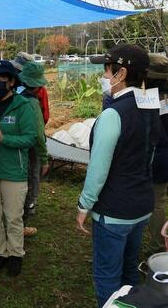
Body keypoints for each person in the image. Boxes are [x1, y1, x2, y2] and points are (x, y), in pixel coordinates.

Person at [76, 44, 159, 307]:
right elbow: (150, 156)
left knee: (107, 276)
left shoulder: (113, 114)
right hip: (142, 205)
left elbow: (98, 169)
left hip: (114, 210)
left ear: (120, 73)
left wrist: (84, 204)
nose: (103, 76)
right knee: (129, 268)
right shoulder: (152, 108)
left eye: (106, 69)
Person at [0, 61, 37, 276]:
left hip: (13, 171)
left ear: (11, 81)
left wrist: (4, 137)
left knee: (13, 216)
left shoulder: (23, 106)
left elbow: (30, 138)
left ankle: (15, 254)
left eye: (1, 79)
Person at [17, 62, 50, 220]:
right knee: (34, 172)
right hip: (32, 144)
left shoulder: (13, 95)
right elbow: (39, 131)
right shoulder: (32, 101)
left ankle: (18, 203)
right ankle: (29, 204)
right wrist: (44, 158)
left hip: (16, 143)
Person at [146, 53, 168, 253]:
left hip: (158, 159)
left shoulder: (151, 101)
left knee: (157, 202)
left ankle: (159, 246)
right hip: (163, 158)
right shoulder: (163, 99)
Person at [12, 52, 50, 124]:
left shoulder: (40, 91)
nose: (16, 72)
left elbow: (45, 116)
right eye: (15, 69)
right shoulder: (10, 85)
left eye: (18, 70)